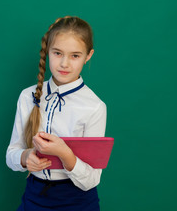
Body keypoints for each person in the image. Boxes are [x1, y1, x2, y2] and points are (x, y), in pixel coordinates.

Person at [6, 16, 107, 211]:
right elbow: (11, 155)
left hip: (77, 201)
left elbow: (91, 180)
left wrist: (64, 154)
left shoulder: (94, 107)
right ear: (47, 52)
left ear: (88, 56)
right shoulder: (27, 96)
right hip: (34, 196)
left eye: (75, 56)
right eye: (58, 53)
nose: (64, 63)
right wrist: (25, 157)